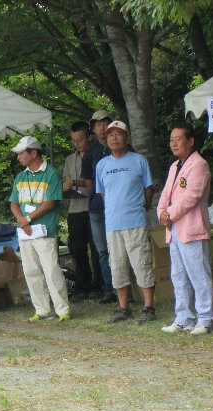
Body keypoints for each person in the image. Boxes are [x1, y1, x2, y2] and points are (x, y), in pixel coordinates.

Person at [96, 120, 156, 324]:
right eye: (110, 134)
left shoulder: (139, 160)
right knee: (117, 266)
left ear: (126, 138)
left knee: (142, 263)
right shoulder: (102, 165)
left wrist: (142, 207)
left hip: (135, 221)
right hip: (112, 224)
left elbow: (149, 188)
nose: (114, 137)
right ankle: (123, 307)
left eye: (118, 134)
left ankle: (148, 307)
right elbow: (103, 194)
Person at [159, 122, 213, 335]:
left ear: (190, 141)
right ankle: (184, 316)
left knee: (198, 274)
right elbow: (165, 194)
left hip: (191, 228)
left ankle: (206, 318)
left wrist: (169, 214)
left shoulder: (199, 165)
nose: (173, 143)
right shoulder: (175, 166)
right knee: (179, 275)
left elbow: (191, 197)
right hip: (174, 229)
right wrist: (161, 213)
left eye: (178, 139)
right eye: (171, 139)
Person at [10, 136, 70, 322]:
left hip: (45, 230)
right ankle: (42, 309)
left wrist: (27, 218)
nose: (18, 156)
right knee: (31, 271)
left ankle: (62, 310)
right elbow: (13, 201)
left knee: (51, 270)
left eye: (21, 153)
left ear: (33, 153)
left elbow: (51, 202)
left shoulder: (51, 173)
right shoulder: (21, 177)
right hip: (26, 232)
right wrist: (21, 219)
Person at [62, 121, 102, 300]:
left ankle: (98, 285)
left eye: (80, 140)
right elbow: (65, 181)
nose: (77, 143)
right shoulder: (70, 159)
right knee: (77, 249)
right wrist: (66, 186)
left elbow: (91, 182)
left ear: (88, 137)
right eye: (74, 141)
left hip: (92, 207)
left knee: (96, 248)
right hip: (75, 208)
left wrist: (75, 182)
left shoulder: (96, 155)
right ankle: (82, 285)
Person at [80, 110, 117, 304]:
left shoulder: (122, 147)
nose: (102, 127)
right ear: (93, 129)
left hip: (119, 207)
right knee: (102, 250)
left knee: (120, 248)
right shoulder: (91, 153)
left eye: (105, 123)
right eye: (97, 124)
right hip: (96, 208)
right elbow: (87, 182)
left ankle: (124, 288)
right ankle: (109, 287)